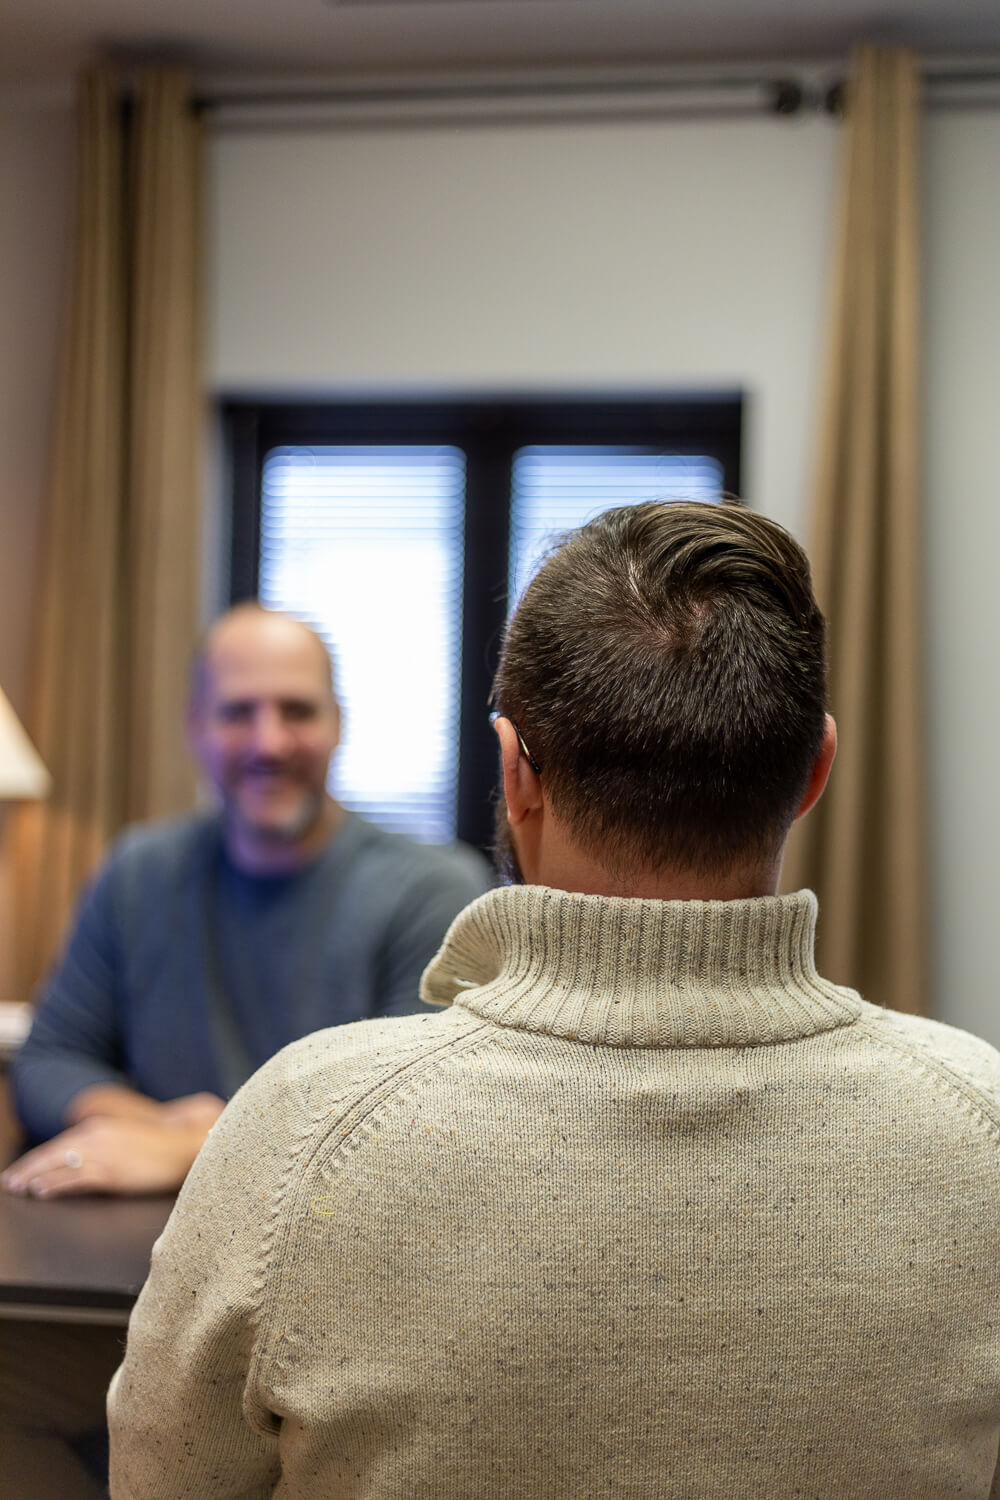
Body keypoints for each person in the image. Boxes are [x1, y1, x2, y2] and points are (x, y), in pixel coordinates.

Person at [108, 504, 1000, 1498]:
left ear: (514, 772)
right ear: (814, 771)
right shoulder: (982, 1126)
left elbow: (161, 1479)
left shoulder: (300, 1131)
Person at [2, 603, 490, 1199]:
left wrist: (197, 1149)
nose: (269, 742)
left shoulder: (435, 892)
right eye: (238, 712)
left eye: (297, 711)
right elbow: (50, 1060)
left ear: (338, 724)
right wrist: (156, 1126)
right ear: (195, 727)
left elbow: (418, 1121)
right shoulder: (137, 873)